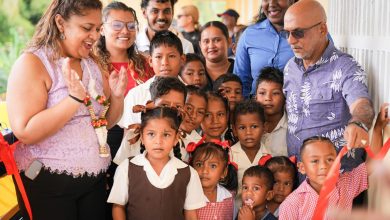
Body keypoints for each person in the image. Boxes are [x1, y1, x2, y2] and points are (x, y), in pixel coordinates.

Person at [6, 0, 127, 219]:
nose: (95, 36)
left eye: (98, 28)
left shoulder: (93, 63)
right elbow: (25, 131)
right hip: (47, 184)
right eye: (86, 28)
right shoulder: (33, 63)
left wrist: (117, 98)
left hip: (95, 181)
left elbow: (105, 123)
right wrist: (72, 100)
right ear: (61, 23)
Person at [282, 0, 375, 166]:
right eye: (286, 33)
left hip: (339, 179)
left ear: (322, 29)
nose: (290, 40)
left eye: (298, 33)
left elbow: (362, 105)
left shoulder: (345, 67)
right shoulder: (290, 68)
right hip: (299, 176)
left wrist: (358, 124)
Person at [108, 107, 206, 219]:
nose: (158, 141)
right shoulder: (127, 168)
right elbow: (118, 207)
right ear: (142, 137)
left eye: (166, 135)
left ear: (176, 139)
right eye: (151, 134)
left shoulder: (189, 173)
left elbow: (191, 214)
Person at [279, 136, 374, 219]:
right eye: (315, 161)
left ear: (338, 163)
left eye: (329, 159)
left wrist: (378, 128)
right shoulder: (291, 204)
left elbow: (372, 163)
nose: (323, 166)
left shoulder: (345, 184)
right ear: (302, 168)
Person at [117, 30, 185, 128]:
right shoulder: (136, 94)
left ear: (182, 59)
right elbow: (128, 133)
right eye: (158, 57)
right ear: (150, 61)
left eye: (171, 56)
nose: (164, 62)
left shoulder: (191, 94)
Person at [113, 76, 186, 165]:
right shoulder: (133, 137)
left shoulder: (186, 142)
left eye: (178, 107)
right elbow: (118, 171)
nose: (170, 111)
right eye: (164, 105)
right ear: (151, 104)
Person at [234, 0, 295, 98]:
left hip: (297, 109)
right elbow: (241, 81)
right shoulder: (249, 34)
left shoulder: (309, 31)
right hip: (256, 109)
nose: (271, 3)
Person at [95, 1, 154, 96]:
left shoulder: (146, 65)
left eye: (131, 26)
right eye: (117, 25)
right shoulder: (92, 65)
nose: (126, 31)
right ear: (102, 29)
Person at [231, 100, 270, 207]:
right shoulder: (229, 156)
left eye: (254, 126)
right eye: (242, 128)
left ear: (264, 127)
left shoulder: (270, 156)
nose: (248, 132)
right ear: (234, 130)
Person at [190, 142, 238, 220]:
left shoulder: (229, 197)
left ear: (224, 172)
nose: (205, 171)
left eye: (213, 166)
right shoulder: (189, 196)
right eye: (199, 164)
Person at [255, 67, 288, 156]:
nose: (268, 98)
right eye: (262, 93)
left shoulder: (292, 128)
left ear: (285, 97)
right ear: (255, 97)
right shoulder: (249, 127)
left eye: (275, 93)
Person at [179, 85, 208, 162]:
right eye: (189, 108)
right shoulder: (165, 133)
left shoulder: (200, 144)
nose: (193, 116)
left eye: (200, 112)